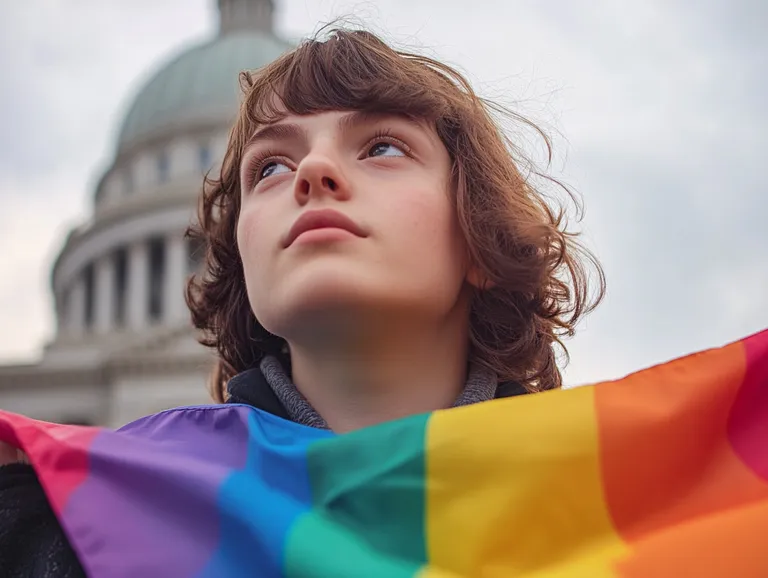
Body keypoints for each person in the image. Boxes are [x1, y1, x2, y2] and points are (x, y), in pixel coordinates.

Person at [0, 26, 604, 577]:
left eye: (383, 147)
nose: (313, 169)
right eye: (270, 167)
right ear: (242, 265)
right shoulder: (64, 526)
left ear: (482, 238)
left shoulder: (609, 502)